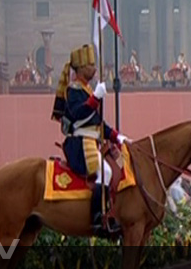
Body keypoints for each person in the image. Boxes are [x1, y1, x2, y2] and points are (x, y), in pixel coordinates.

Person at [51, 44, 129, 237]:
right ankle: (97, 218)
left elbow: (97, 124)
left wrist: (116, 136)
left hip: (91, 141)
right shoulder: (74, 90)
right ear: (80, 68)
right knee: (107, 172)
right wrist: (95, 98)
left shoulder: (85, 90)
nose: (94, 69)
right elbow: (79, 114)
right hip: (80, 145)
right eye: (90, 65)